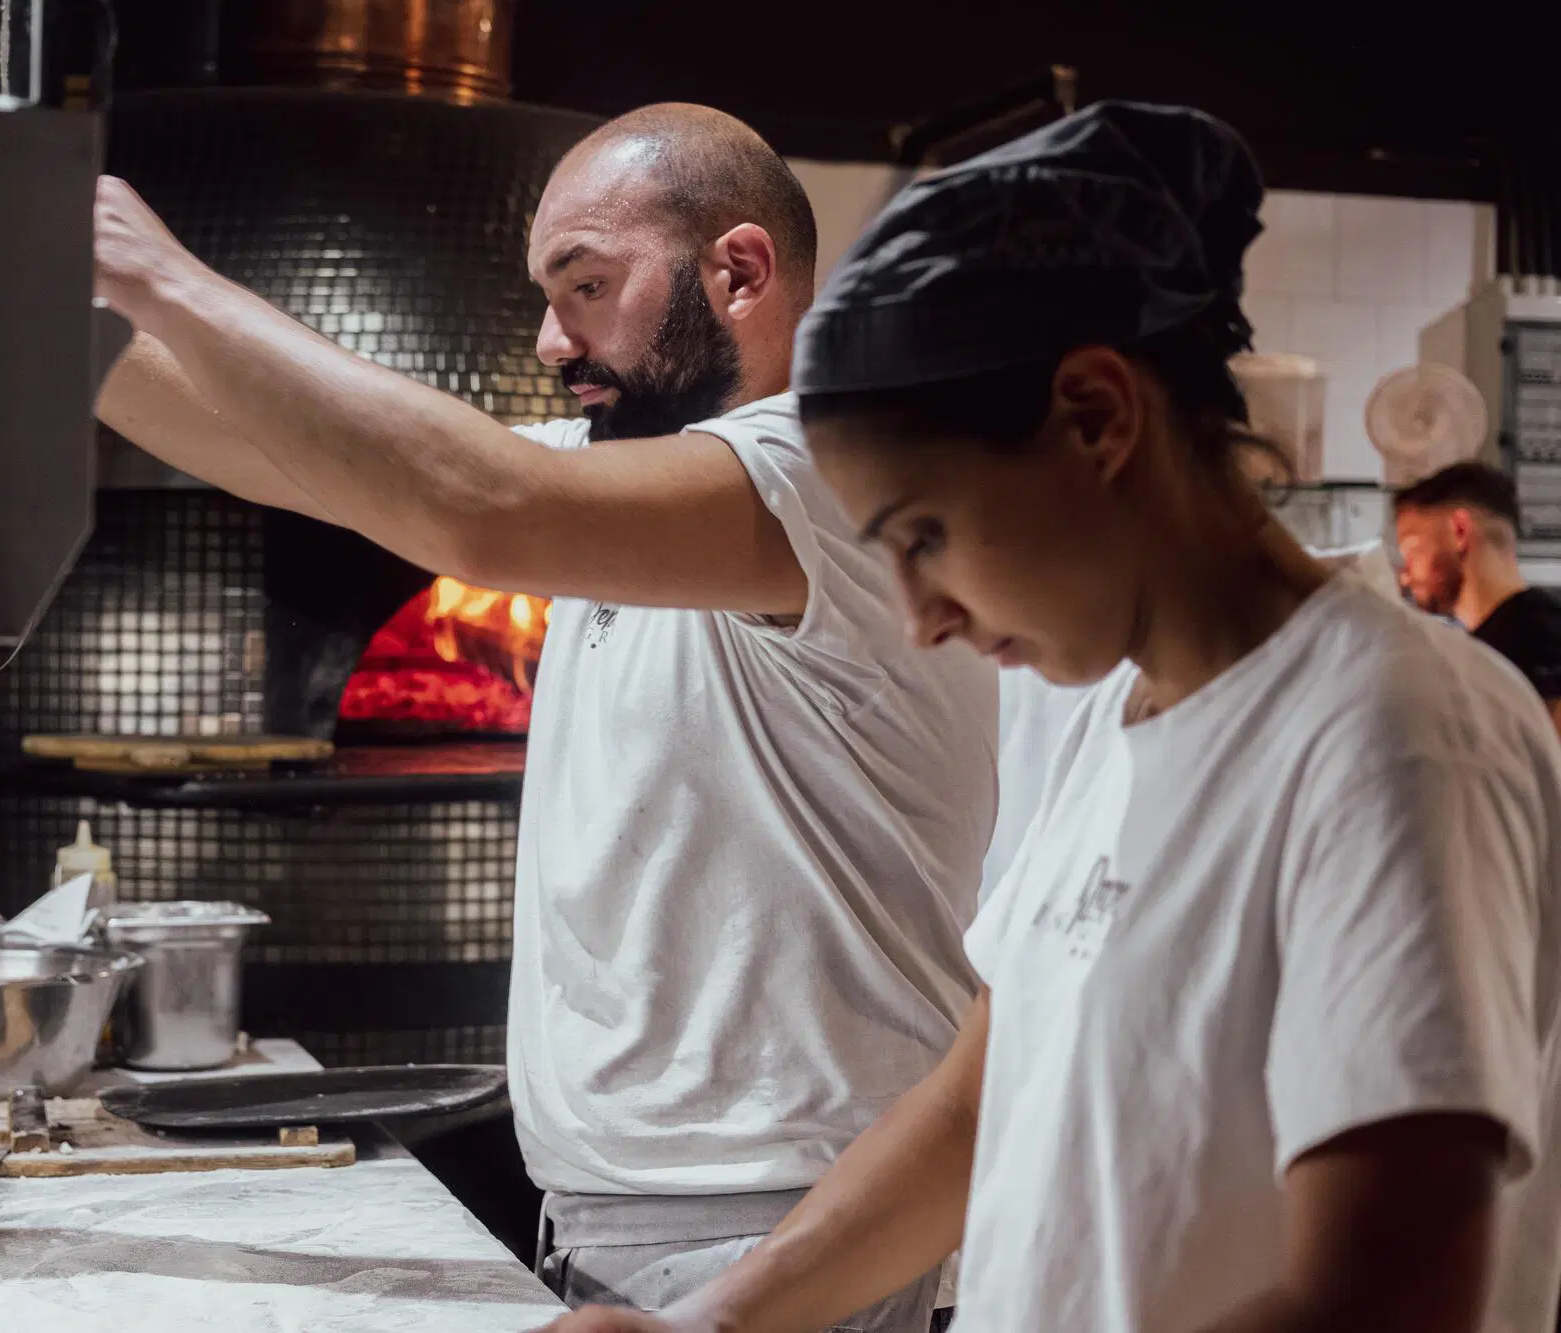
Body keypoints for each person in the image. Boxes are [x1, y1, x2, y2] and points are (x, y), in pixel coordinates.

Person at [538, 100, 1561, 1333]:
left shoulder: (1389, 728)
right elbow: (979, 1102)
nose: (918, 616)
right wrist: (704, 1326)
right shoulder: (1105, 717)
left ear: (1095, 416)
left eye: (924, 535)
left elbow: (1385, 1296)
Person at [92, 103, 998, 1328]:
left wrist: (160, 274)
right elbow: (276, 453)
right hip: (628, 1221)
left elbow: (478, 501)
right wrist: (41, 308)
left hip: (797, 1240)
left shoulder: (827, 467)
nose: (547, 337)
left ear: (737, 271)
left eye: (585, 285)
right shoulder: (618, 472)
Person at [1395, 461, 1561, 735]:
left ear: (1459, 531)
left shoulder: (1541, 644)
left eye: (1412, 550)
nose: (1405, 576)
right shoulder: (1483, 647)